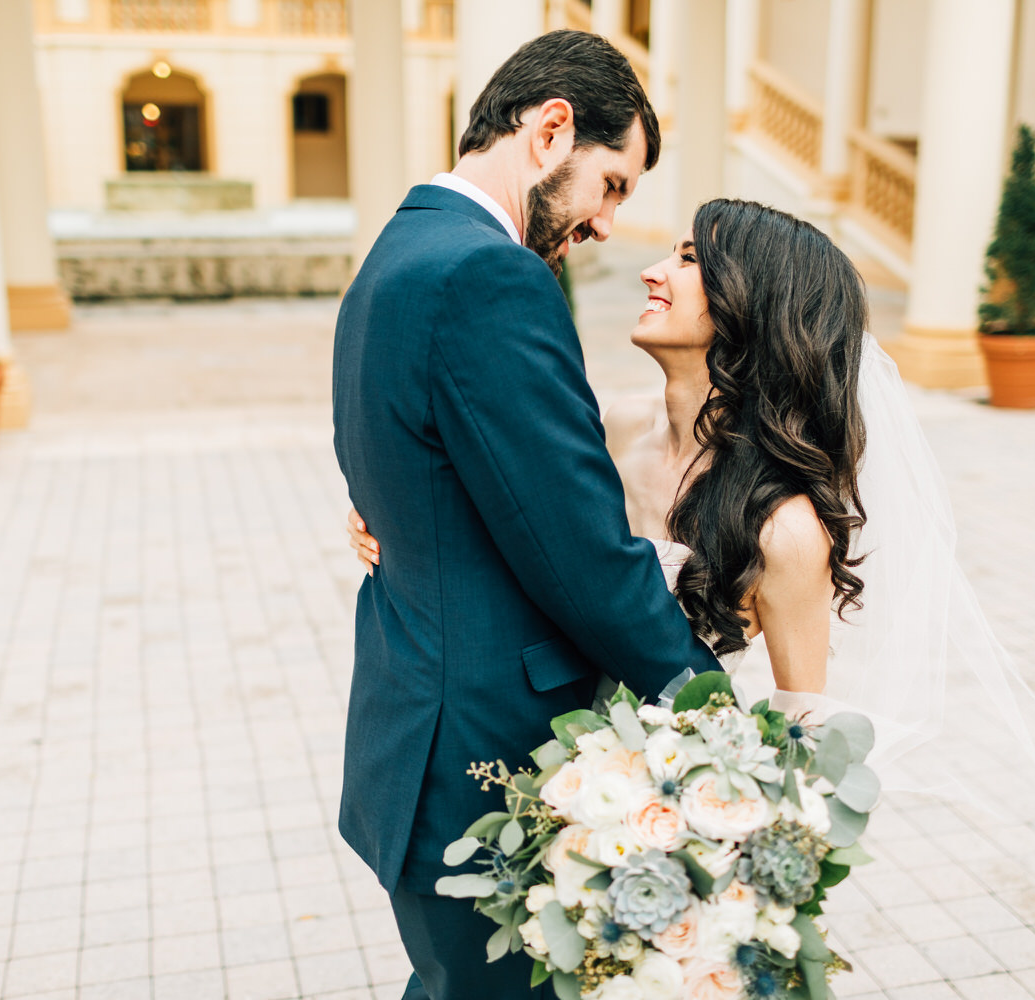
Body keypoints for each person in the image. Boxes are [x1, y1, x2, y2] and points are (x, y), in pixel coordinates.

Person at [350, 198, 1035, 807]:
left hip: (666, 804)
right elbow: (519, 517)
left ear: (753, 306)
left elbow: (801, 725)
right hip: (523, 751)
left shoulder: (786, 529)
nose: (652, 271)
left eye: (688, 261)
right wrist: (391, 514)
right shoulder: (615, 426)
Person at [330, 30, 721, 1000]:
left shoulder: (398, 247)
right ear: (552, 130)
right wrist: (717, 716)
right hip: (481, 753)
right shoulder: (492, 276)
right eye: (614, 185)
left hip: (415, 727)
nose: (604, 223)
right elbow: (579, 545)